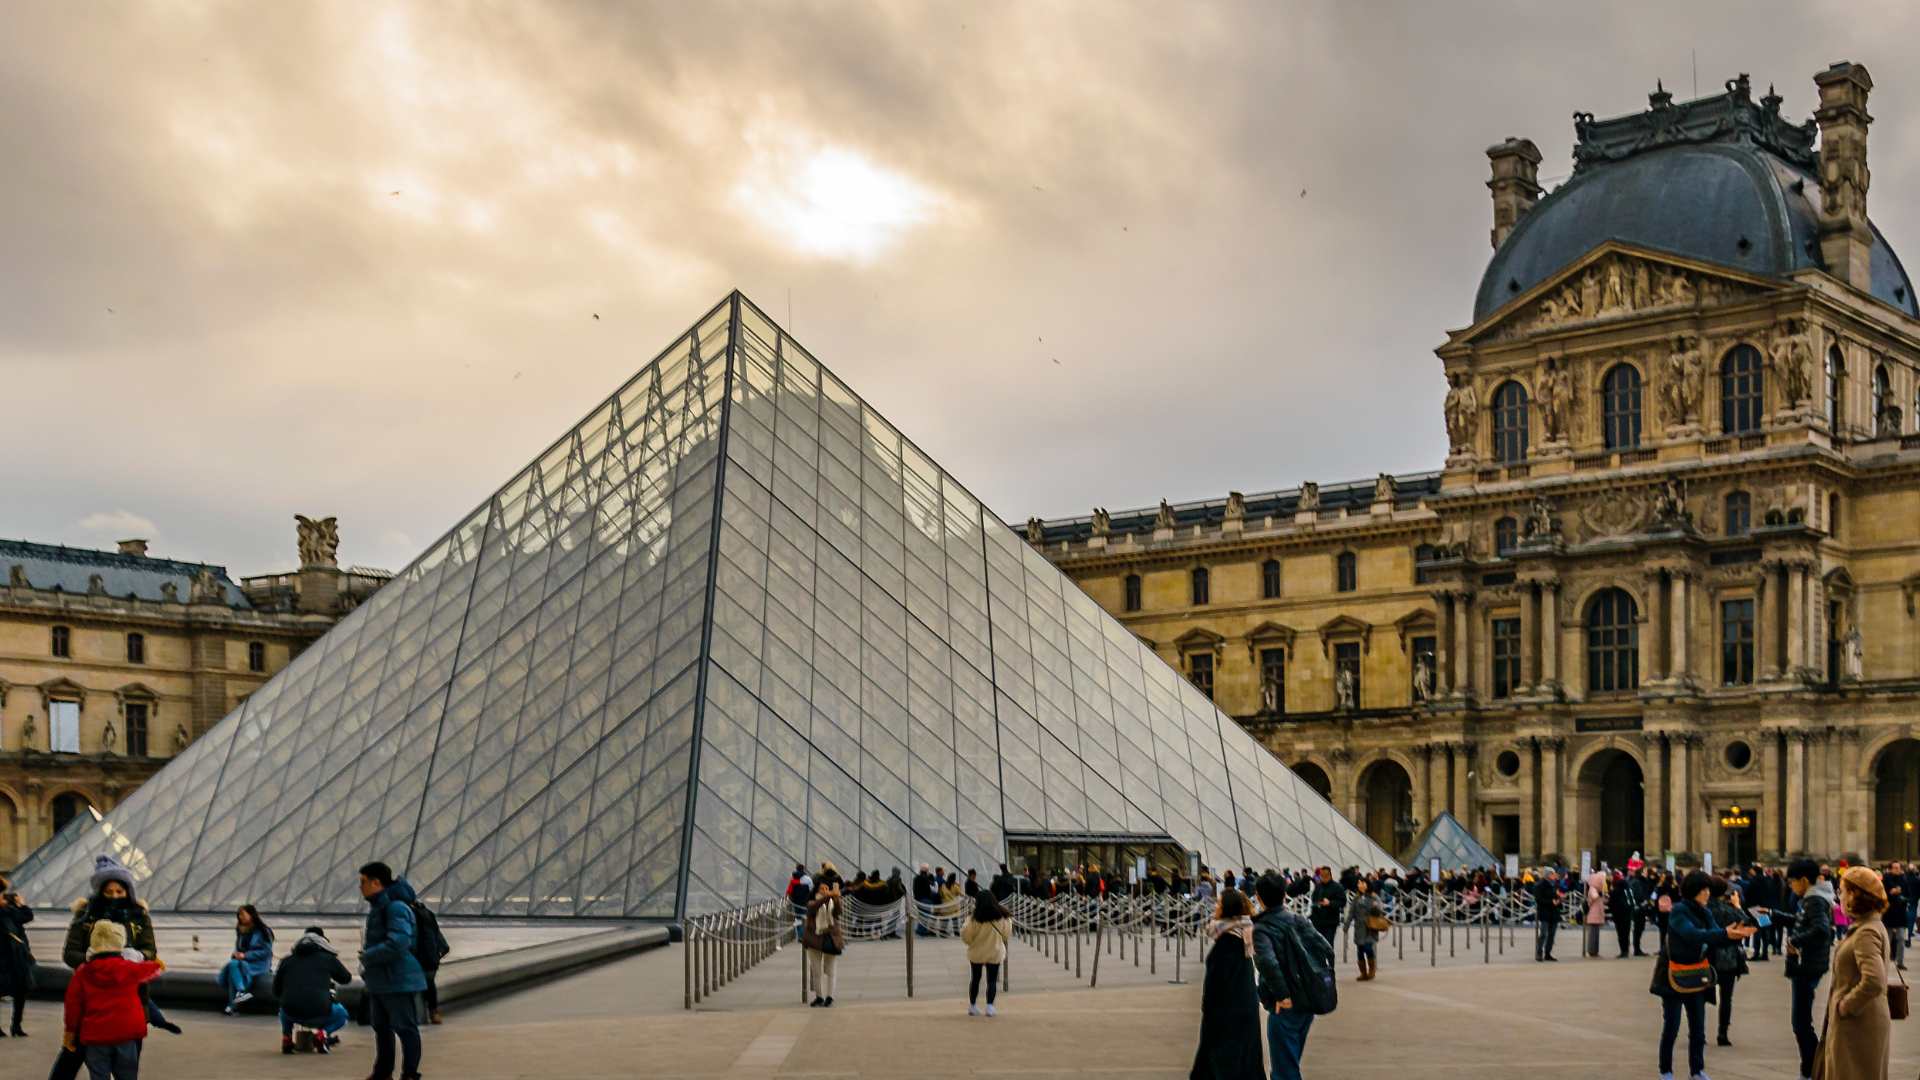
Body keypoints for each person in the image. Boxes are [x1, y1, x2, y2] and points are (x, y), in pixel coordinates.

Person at [1654, 869, 1755, 1080]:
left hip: (1697, 973)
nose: (1708, 893)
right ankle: (1666, 1071)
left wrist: (1735, 935)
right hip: (1673, 975)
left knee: (1698, 1029)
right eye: (1704, 889)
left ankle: (1697, 1070)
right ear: (1694, 891)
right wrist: (1724, 934)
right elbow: (1692, 935)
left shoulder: (1706, 911)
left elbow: (1716, 936)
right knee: (1671, 1027)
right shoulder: (1679, 911)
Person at [62, 920, 163, 1080]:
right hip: (127, 1034)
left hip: (95, 1035)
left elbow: (72, 1005)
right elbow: (156, 968)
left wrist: (70, 1033)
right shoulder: (130, 968)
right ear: (120, 942)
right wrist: (138, 955)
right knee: (127, 1075)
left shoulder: (83, 972)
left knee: (98, 1075)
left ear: (93, 943)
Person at [1817, 866, 1892, 1080]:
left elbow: (1874, 980)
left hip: (1857, 1026)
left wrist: (1846, 1005)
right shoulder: (1869, 925)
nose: (1839, 896)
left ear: (1854, 895)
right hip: (1861, 1021)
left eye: (1842, 891)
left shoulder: (1866, 932)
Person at [357, 861, 427, 1080]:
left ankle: (409, 1074)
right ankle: (382, 1072)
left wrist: (368, 956)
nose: (360, 887)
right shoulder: (380, 907)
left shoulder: (395, 907)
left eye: (363, 882)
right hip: (381, 979)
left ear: (376, 882)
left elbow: (399, 942)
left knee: (406, 1028)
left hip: (397, 979)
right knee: (381, 1027)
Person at [1252, 872, 1320, 1080]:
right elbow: (1323, 950)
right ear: (1284, 895)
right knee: (1288, 1062)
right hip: (1307, 1000)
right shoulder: (1300, 920)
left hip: (1285, 1003)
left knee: (1284, 1070)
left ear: (1259, 897)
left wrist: (1282, 995)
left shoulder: (1262, 928)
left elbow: (1268, 963)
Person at [1191, 888, 1263, 1080]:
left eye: (1220, 903)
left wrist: (1208, 1007)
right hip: (1245, 1006)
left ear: (1227, 909)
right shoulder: (1243, 933)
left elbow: (1218, 981)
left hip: (1226, 1011)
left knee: (1222, 1061)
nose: (1216, 906)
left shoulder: (1228, 941)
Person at [1782, 857, 1836, 1080]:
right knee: (1802, 1023)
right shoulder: (1813, 898)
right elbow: (1805, 922)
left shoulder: (1813, 900)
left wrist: (1795, 942)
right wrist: (1774, 915)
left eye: (1792, 881)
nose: (1790, 886)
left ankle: (1811, 1071)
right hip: (1810, 965)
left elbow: (1821, 930)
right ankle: (1812, 1070)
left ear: (1804, 880)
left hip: (1806, 967)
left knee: (1801, 1024)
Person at [273, 927, 351, 1054]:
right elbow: (346, 978)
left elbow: (276, 991)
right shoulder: (327, 958)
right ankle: (323, 1034)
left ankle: (286, 1037)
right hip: (320, 1010)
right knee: (342, 1015)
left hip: (291, 1011)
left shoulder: (287, 960)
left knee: (283, 1008)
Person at [1704, 875, 1749, 1047]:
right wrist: (1738, 906)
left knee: (1699, 996)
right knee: (1726, 998)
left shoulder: (1704, 908)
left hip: (1707, 957)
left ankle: (1697, 1031)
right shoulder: (1730, 910)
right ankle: (1722, 1033)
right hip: (1729, 958)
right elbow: (1748, 924)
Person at [960, 890, 1012, 1017]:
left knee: (975, 979)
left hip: (977, 952)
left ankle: (972, 1005)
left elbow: (966, 935)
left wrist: (972, 943)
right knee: (992, 980)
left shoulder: (974, 918)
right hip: (995, 951)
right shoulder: (1003, 917)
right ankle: (990, 1006)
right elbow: (1006, 934)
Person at [217, 905, 274, 1015]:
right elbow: (239, 948)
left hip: (259, 965)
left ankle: (233, 1005)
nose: (240, 917)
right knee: (234, 964)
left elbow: (266, 952)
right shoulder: (240, 930)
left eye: (242, 914)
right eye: (239, 914)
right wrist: (236, 954)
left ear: (251, 915)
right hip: (242, 963)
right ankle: (241, 992)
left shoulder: (263, 931)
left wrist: (245, 956)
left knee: (233, 969)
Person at [802, 872, 844, 1008]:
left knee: (831, 969)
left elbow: (838, 912)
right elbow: (813, 907)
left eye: (827, 888)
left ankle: (830, 996)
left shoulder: (832, 900)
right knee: (816, 970)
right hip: (814, 938)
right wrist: (827, 897)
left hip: (831, 937)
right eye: (822, 889)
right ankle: (819, 996)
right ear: (816, 889)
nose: (825, 891)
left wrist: (836, 898)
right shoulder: (811, 901)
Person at [0, 876, 34, 1037]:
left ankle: (16, 1026)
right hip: (2, 958)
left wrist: (21, 904)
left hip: (18, 958)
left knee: (21, 991)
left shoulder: (10, 909)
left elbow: (27, 917)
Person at [408, 893, 450, 1025]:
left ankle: (422, 1014)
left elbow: (410, 939)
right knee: (430, 984)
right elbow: (437, 935)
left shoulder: (409, 915)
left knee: (423, 984)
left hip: (421, 958)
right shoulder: (427, 913)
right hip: (431, 958)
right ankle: (433, 1012)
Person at [1343, 879, 1384, 982]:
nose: (1360, 885)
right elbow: (1351, 913)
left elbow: (1379, 912)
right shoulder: (1356, 898)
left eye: (1362, 883)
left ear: (1367, 885)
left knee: (1368, 947)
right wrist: (1346, 925)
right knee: (1360, 950)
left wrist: (1375, 907)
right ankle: (1363, 973)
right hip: (1359, 928)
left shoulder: (1374, 897)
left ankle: (1371, 970)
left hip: (1370, 927)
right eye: (1359, 883)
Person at [1308, 867, 1344, 947]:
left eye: (1325, 875)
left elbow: (1342, 902)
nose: (1322, 877)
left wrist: (1330, 903)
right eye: (1321, 875)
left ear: (1330, 875)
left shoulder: (1337, 887)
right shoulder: (1318, 886)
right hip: (1318, 921)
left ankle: (1330, 959)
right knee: (1318, 945)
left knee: (1328, 944)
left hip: (1330, 921)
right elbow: (1314, 899)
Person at [1533, 868, 1561, 962]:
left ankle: (1548, 953)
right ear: (1548, 875)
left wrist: (1559, 899)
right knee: (1544, 934)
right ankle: (1539, 952)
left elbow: (1556, 896)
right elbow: (1539, 900)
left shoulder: (1554, 884)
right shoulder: (1539, 885)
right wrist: (1551, 902)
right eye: (1553, 874)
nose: (1554, 875)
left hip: (1554, 913)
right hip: (1545, 913)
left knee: (1551, 935)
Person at [1608, 870, 1635, 958]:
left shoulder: (1615, 890)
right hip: (1628, 913)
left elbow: (1611, 903)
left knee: (1621, 933)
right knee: (1626, 932)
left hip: (1618, 914)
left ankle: (1623, 951)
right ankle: (1626, 950)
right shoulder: (1627, 887)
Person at [1584, 870, 1608, 957]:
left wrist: (1604, 895)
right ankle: (1591, 950)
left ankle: (1595, 950)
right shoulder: (1593, 888)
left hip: (1597, 913)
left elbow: (1604, 900)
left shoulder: (1598, 889)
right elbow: (1593, 897)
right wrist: (1600, 893)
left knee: (1596, 934)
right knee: (1592, 934)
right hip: (1593, 914)